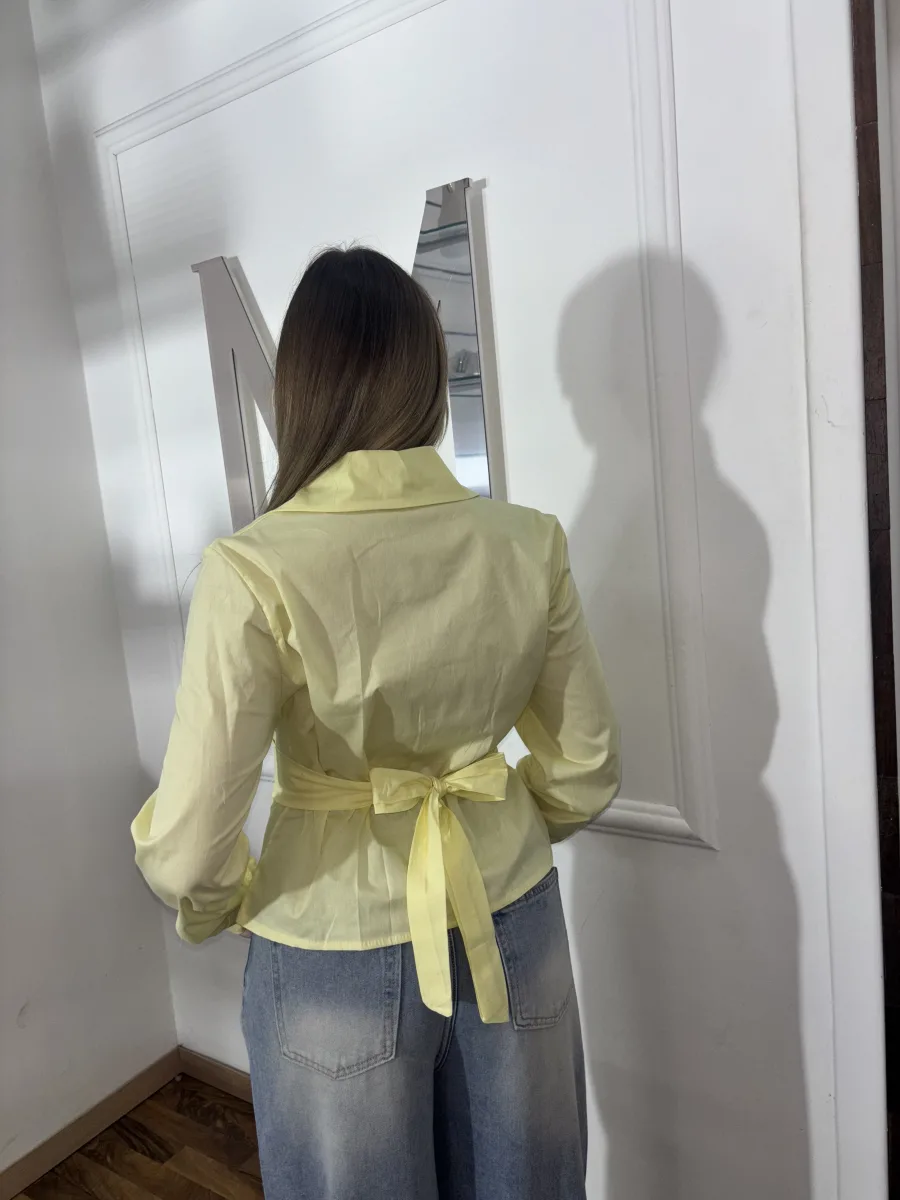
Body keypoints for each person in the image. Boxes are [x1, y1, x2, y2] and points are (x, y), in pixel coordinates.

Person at [131, 246, 620, 1200]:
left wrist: (228, 905)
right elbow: (586, 767)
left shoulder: (254, 567)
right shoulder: (527, 542)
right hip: (513, 918)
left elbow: (189, 854)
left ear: (303, 389)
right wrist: (497, 823)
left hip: (329, 940)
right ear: (428, 378)